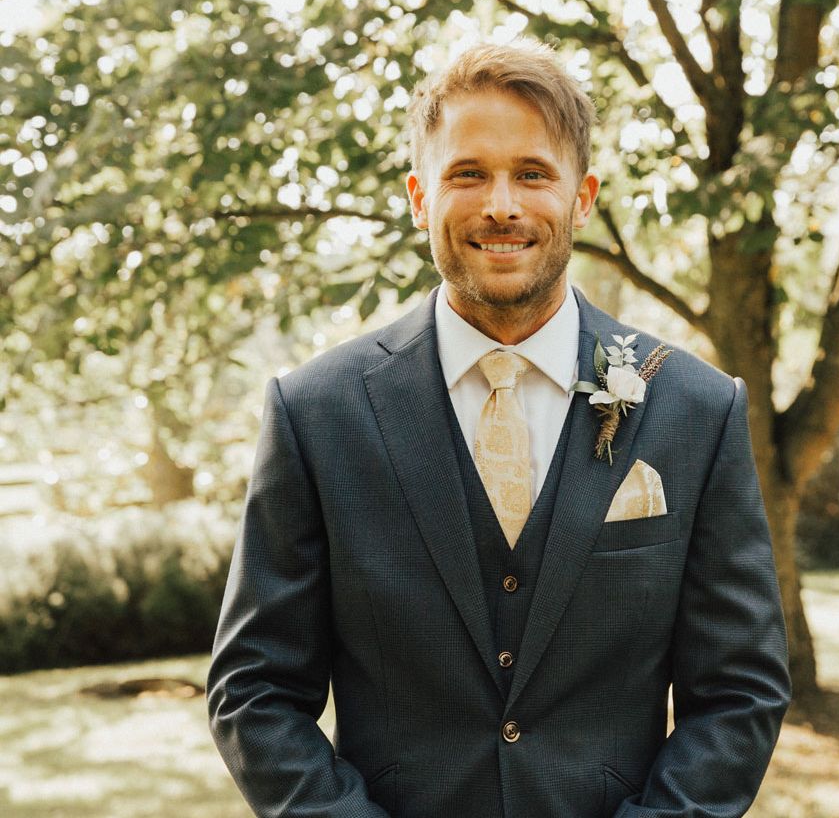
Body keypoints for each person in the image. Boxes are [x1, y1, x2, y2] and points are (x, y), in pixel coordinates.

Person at [207, 42, 791, 818]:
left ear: (582, 198)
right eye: (468, 174)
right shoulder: (315, 413)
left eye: (533, 173)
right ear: (420, 198)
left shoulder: (695, 409)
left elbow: (741, 691)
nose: (502, 205)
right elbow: (254, 691)